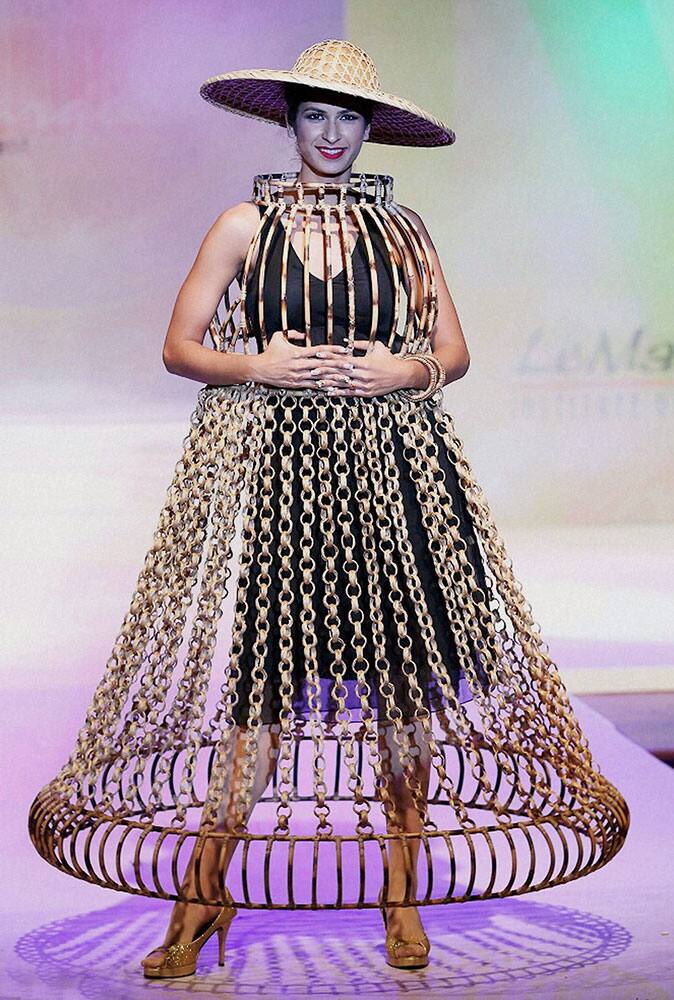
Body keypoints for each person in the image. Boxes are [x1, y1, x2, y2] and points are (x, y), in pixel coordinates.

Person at [28, 38, 629, 981]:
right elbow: (181, 346)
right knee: (260, 702)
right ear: (289, 121)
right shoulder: (242, 224)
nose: (334, 133)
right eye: (316, 115)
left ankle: (401, 896)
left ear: (370, 126)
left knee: (406, 701)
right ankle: (203, 895)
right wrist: (255, 364)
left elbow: (454, 351)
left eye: (350, 117)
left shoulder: (405, 232)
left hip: (401, 482)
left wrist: (411, 370)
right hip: (290, 481)